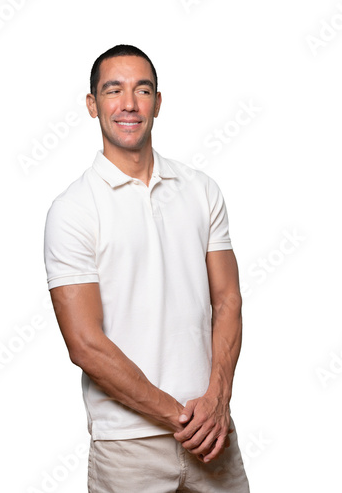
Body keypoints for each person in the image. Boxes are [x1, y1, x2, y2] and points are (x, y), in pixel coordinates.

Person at [43, 44, 250, 492]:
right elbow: (84, 343)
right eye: (113, 90)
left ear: (158, 102)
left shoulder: (201, 190)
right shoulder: (74, 210)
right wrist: (181, 416)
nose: (129, 104)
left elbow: (227, 300)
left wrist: (216, 401)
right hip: (128, 448)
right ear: (92, 104)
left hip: (214, 435)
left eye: (143, 90)